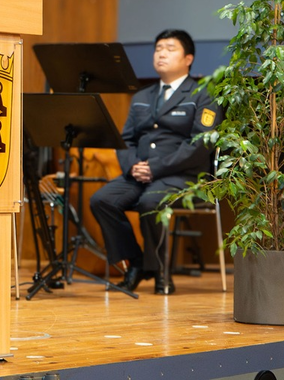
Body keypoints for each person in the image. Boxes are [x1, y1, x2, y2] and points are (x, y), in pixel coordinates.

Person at [89, 29, 222, 295]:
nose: (161, 53)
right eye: (158, 48)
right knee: (102, 200)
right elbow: (125, 139)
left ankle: (160, 271)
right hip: (139, 173)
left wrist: (157, 167)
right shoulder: (142, 96)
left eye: (170, 48)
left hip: (182, 175)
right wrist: (131, 166)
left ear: (188, 59)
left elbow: (200, 144)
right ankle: (137, 263)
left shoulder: (203, 95)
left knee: (152, 202)